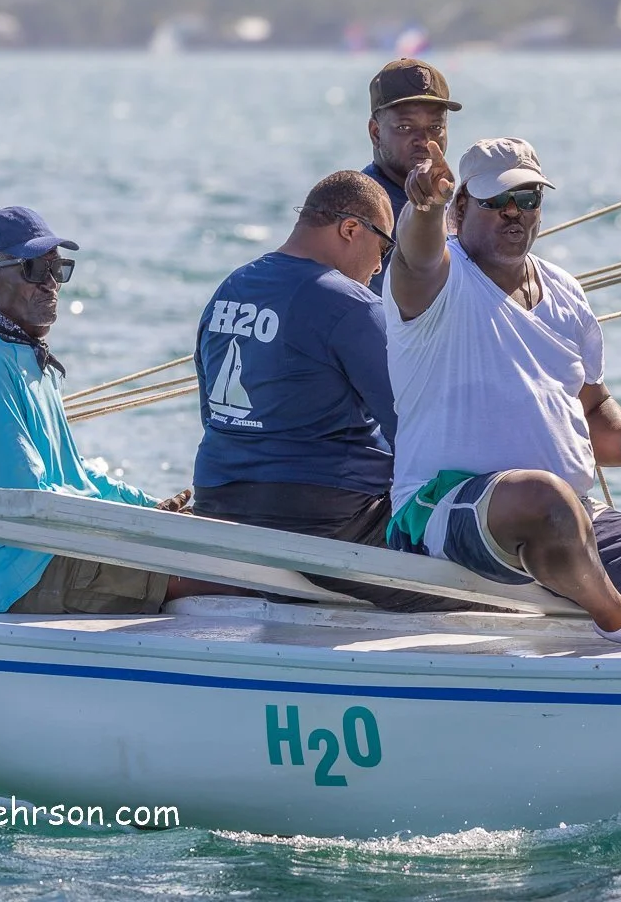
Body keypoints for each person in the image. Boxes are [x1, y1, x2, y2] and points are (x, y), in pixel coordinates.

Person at [383, 136, 621, 646]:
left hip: (568, 515)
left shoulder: (566, 292)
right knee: (544, 498)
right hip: (441, 509)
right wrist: (424, 207)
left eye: (527, 198)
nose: (513, 212)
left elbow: (593, 406)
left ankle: (609, 607)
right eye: (495, 200)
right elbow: (416, 258)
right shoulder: (439, 279)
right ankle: (620, 621)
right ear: (460, 208)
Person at [192, 171, 484, 613]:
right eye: (384, 248)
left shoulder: (229, 288)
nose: (380, 267)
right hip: (322, 521)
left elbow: (212, 415)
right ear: (350, 229)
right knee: (488, 574)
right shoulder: (349, 304)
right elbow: (416, 429)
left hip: (217, 507)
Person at [0, 207, 229, 614]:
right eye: (35, 269)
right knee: (228, 575)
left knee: (217, 541)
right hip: (18, 573)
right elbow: (20, 496)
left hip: (54, 547)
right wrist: (129, 524)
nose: (51, 283)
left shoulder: (28, 356)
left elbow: (73, 474)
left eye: (58, 269)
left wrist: (145, 507)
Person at [362, 58, 461, 294]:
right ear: (376, 133)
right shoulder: (362, 210)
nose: (425, 141)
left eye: (435, 127)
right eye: (405, 127)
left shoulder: (446, 197)